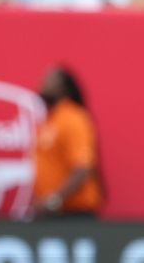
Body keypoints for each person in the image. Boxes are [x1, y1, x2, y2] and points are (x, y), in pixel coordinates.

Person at [31, 66, 105, 218]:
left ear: (63, 87)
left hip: (75, 214)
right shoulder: (50, 119)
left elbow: (82, 168)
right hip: (52, 214)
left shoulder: (74, 118)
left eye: (48, 80)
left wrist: (54, 199)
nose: (42, 83)